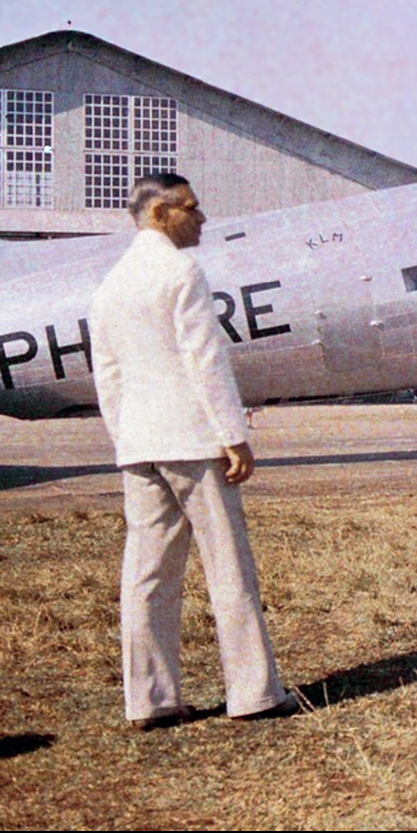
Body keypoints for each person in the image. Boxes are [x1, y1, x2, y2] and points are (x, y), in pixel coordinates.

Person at [89, 173, 297, 729]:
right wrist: (233, 435)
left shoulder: (109, 285)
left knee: (148, 575)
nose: (202, 218)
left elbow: (107, 377)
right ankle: (254, 693)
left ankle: (149, 701)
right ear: (160, 214)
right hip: (192, 442)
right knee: (229, 567)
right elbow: (205, 360)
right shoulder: (182, 271)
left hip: (139, 447)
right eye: (191, 207)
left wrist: (126, 437)